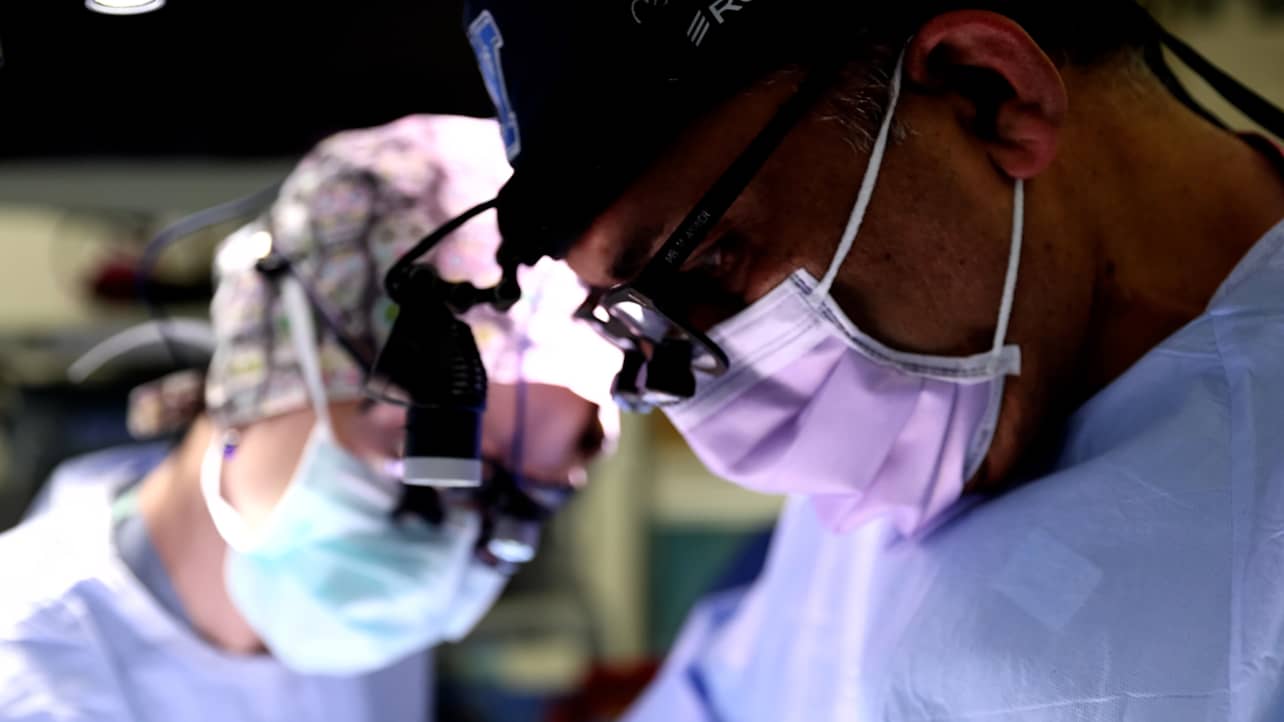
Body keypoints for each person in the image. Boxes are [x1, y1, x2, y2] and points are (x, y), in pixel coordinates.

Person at [453, 1, 1284, 719]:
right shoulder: (913, 442)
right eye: (639, 320)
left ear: (986, 94)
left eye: (706, 263)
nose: (716, 421)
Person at [0, 114, 620, 722]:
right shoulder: (28, 679)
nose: (444, 539)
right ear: (267, 365)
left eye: (516, 504)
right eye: (416, 455)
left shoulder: (360, 627)